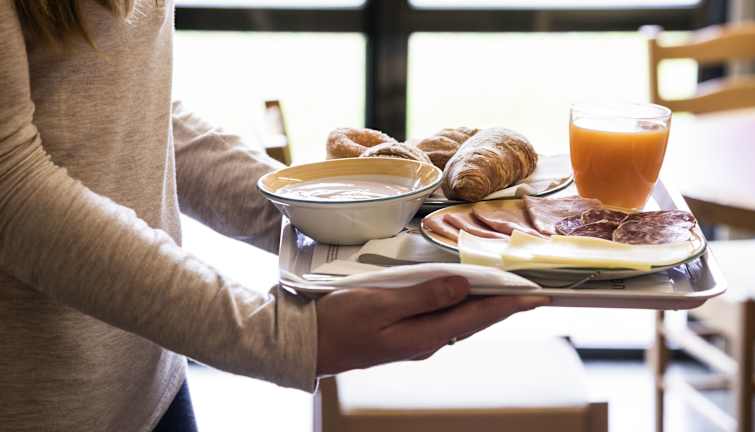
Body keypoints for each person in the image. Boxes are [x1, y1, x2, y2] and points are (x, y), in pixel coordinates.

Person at [0, 1, 550, 431]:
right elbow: (12, 190)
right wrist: (282, 338)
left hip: (147, 383)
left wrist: (340, 219)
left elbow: (135, 113)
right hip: (46, 404)